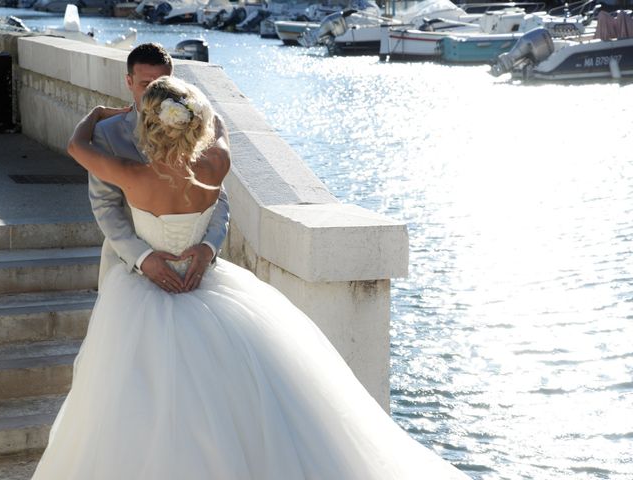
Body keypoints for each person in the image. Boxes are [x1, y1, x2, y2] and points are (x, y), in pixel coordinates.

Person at [31, 76, 469, 479]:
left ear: (147, 127)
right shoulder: (215, 165)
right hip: (207, 287)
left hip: (147, 292)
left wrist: (96, 115)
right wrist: (199, 118)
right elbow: (220, 125)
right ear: (192, 125)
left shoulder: (130, 176)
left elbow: (76, 144)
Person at [89, 42, 230, 294]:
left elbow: (219, 195)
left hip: (197, 270)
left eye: (162, 82)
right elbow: (105, 204)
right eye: (146, 85)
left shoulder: (195, 128)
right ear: (129, 82)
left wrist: (209, 247)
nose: (156, 91)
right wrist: (142, 258)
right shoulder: (107, 133)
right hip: (130, 269)